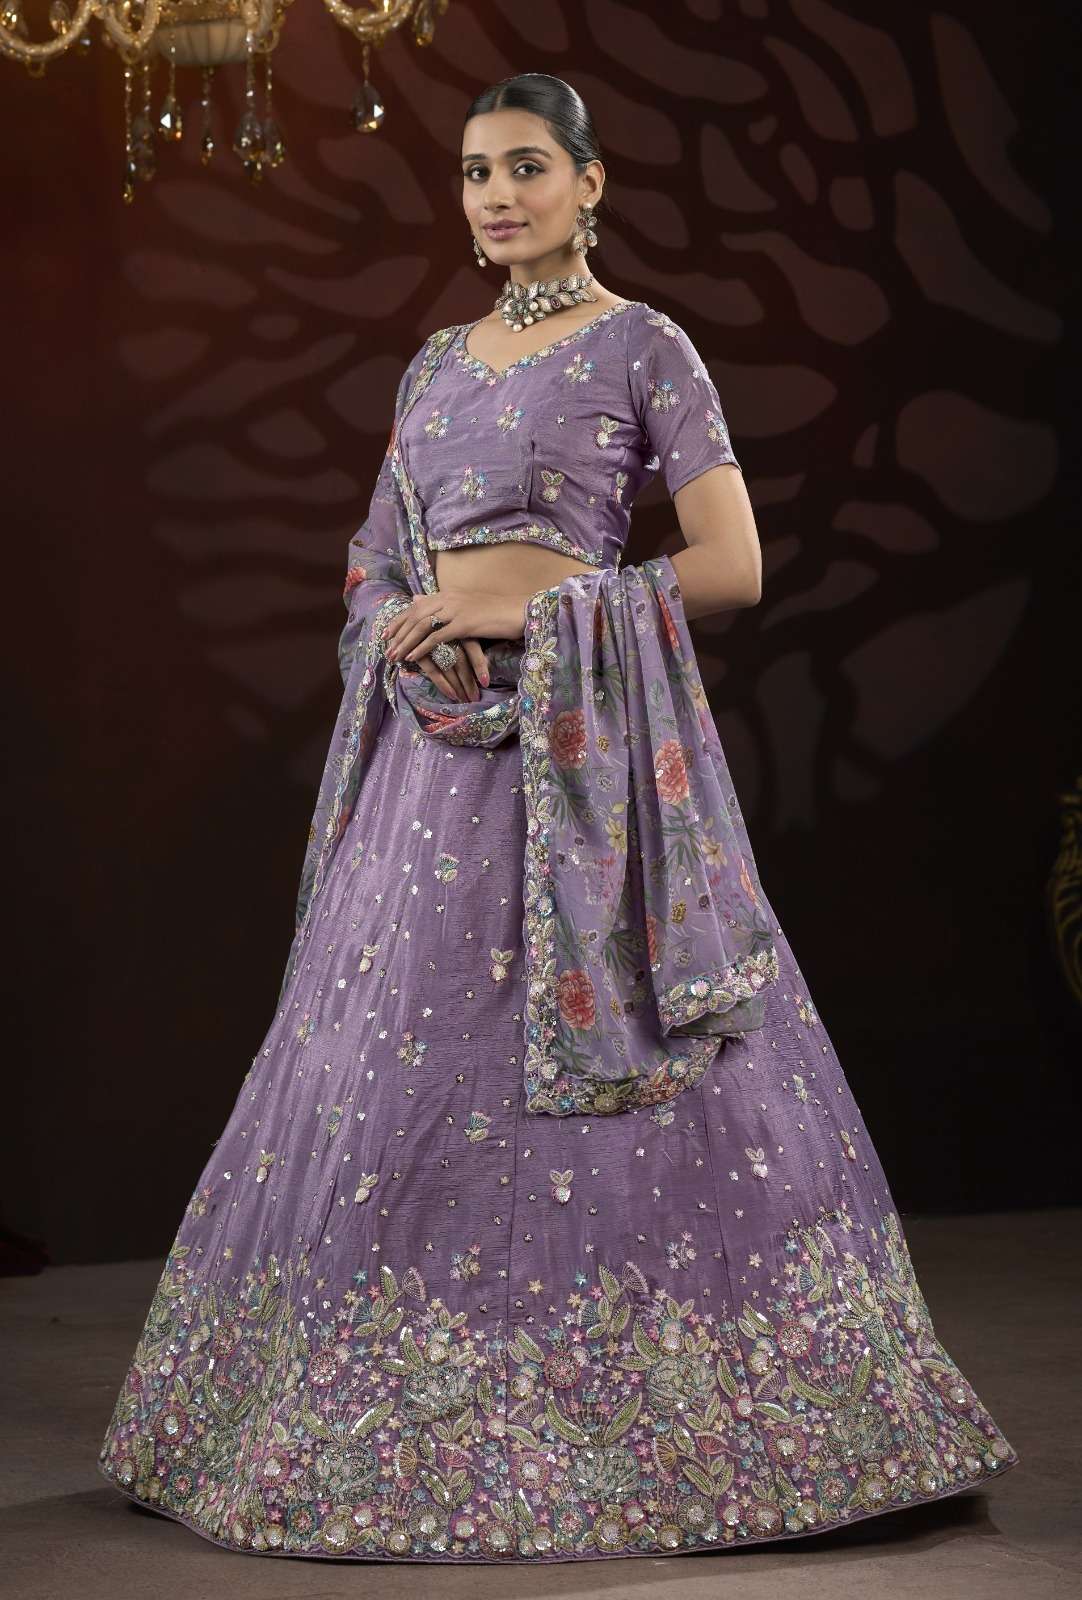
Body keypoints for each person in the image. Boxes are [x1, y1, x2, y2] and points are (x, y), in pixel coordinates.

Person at [98, 72, 1018, 1564]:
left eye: (527, 166)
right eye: (475, 173)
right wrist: (408, 629)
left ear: (590, 184)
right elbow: (373, 563)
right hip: (434, 769)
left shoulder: (646, 346)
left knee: (633, 1059)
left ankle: (690, 1424)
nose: (498, 196)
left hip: (587, 766)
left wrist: (535, 613)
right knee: (392, 1079)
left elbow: (731, 568)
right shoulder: (432, 367)